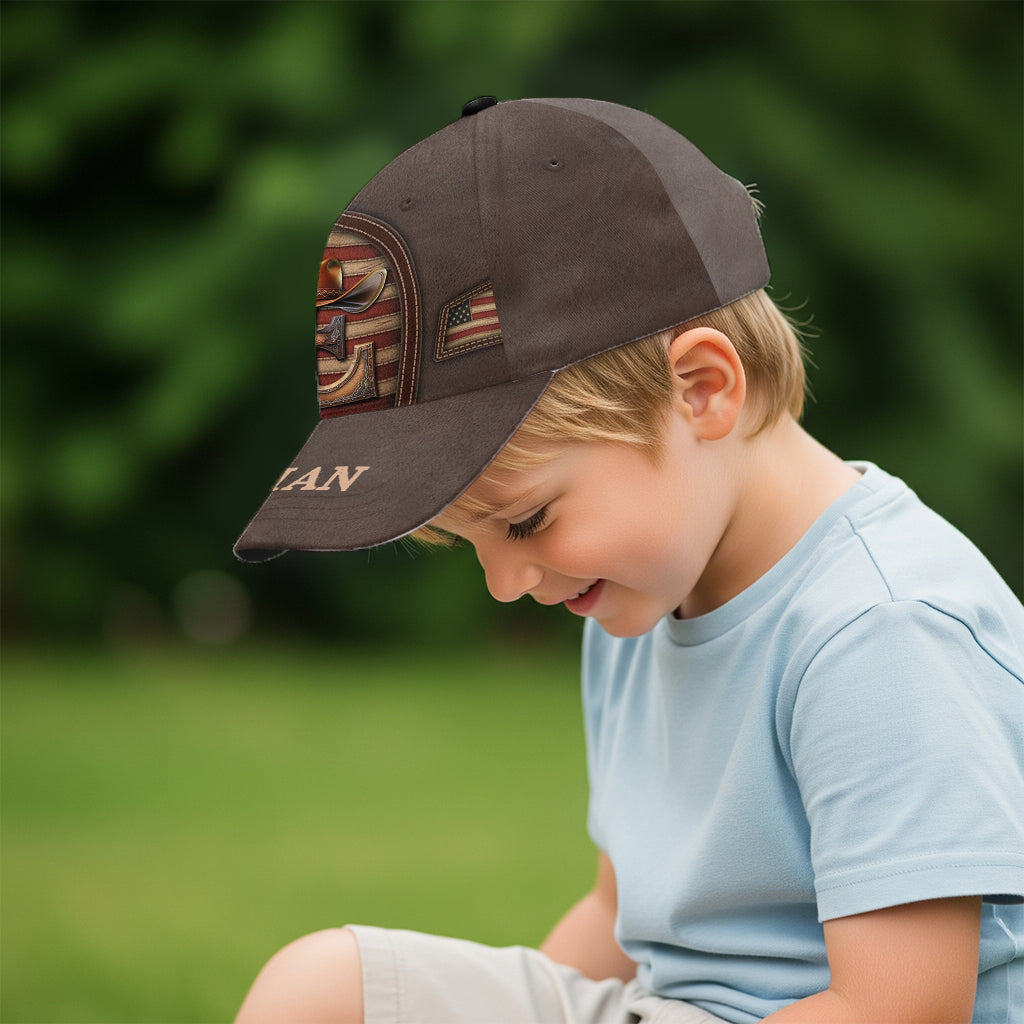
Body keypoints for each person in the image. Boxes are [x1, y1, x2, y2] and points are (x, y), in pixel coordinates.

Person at [232, 98, 1024, 1023]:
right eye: (471, 542)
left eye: (526, 521)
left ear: (702, 391)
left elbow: (899, 1008)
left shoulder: (880, 630)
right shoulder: (635, 597)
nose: (506, 585)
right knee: (322, 989)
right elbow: (620, 915)